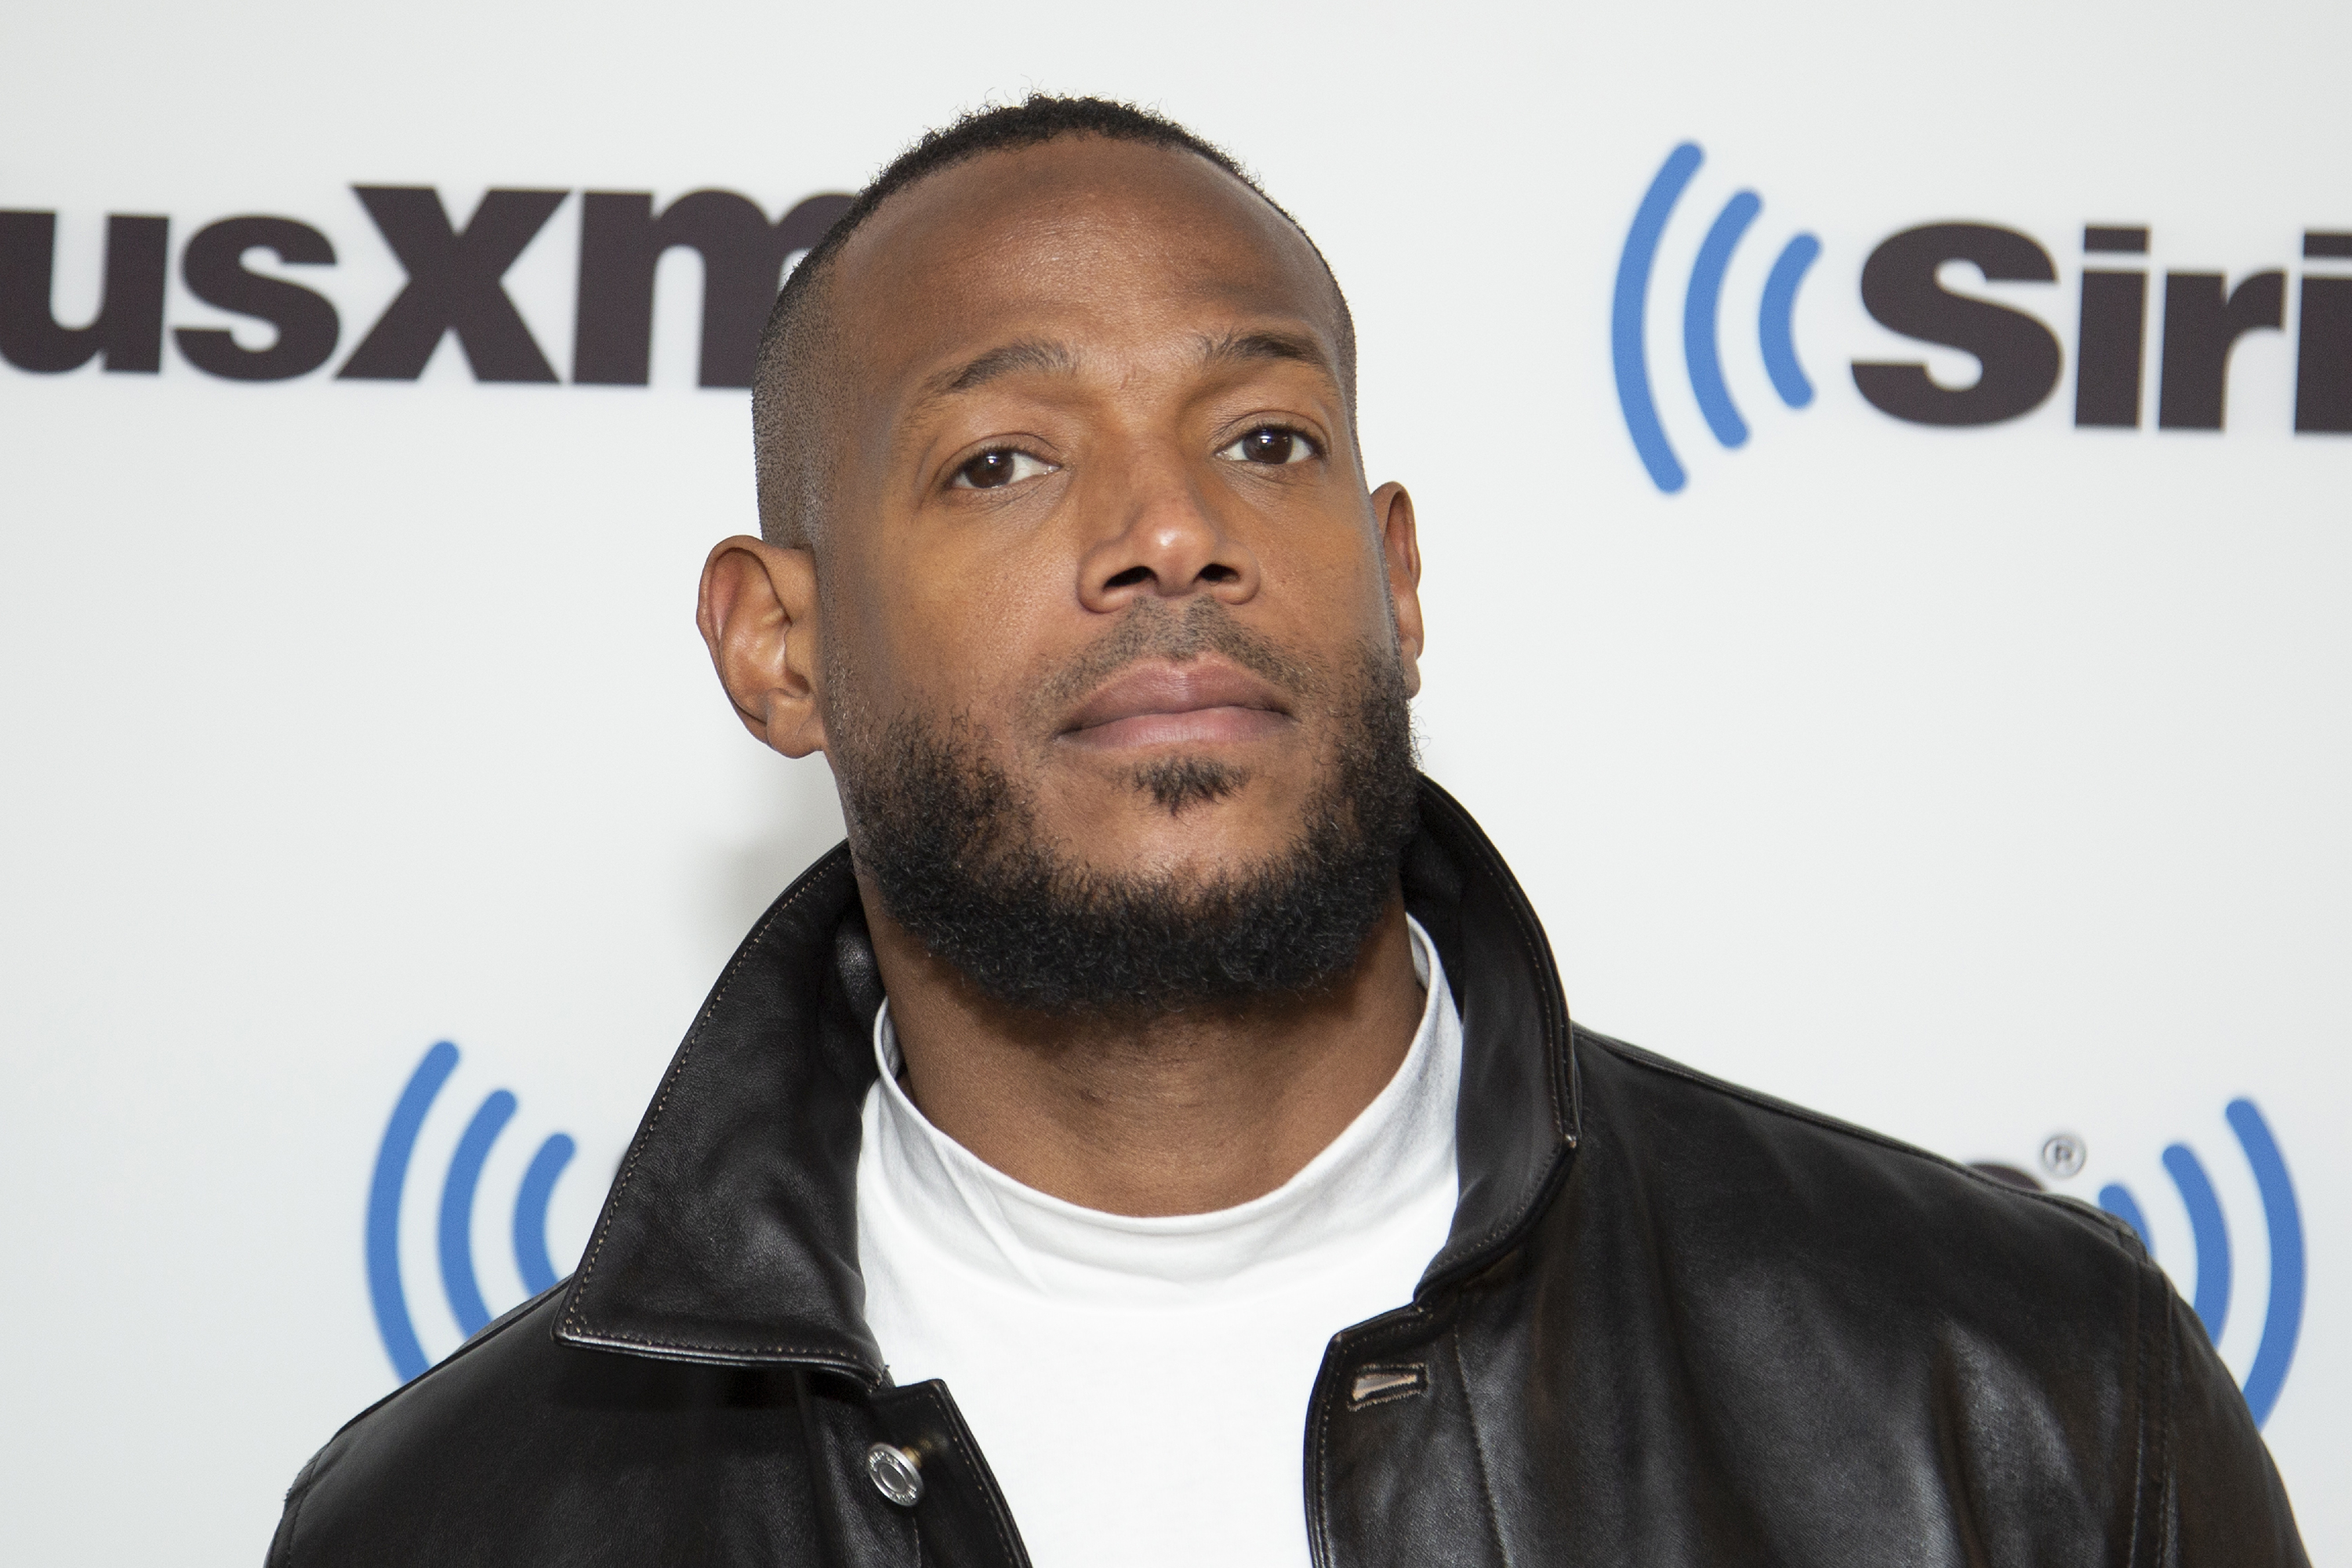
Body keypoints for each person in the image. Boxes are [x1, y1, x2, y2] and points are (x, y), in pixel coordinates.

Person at [267, 96, 2306, 1568]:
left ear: (1394, 576)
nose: (1173, 532)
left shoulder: (2019, 1395)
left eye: (1265, 439)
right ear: (781, 646)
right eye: (1001, 459)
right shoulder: (455, 1520)